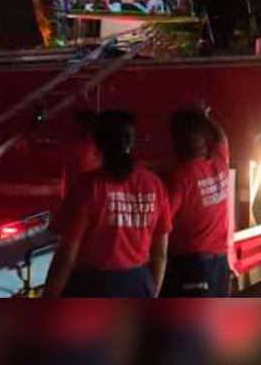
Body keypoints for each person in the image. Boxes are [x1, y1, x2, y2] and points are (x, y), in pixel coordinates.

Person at [44, 110, 171, 298]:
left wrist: (50, 295)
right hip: (138, 282)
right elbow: (160, 252)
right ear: (133, 142)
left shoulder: (87, 187)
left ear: (98, 143)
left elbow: (68, 252)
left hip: (93, 286)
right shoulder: (154, 184)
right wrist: (152, 290)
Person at [161, 106, 232, 297]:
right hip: (220, 261)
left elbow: (161, 225)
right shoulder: (220, 162)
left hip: (189, 266)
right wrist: (206, 117)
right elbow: (221, 137)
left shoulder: (180, 178)